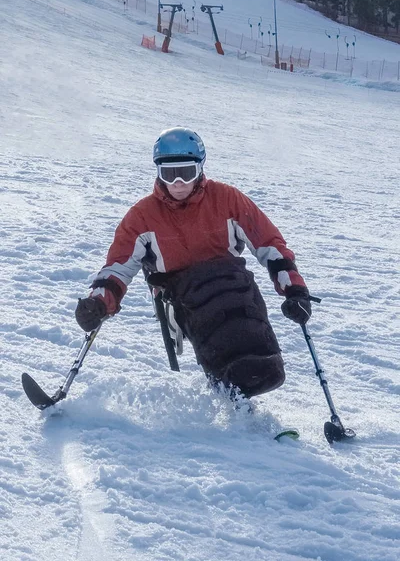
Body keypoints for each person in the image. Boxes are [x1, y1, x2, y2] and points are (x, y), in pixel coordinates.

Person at [75, 127, 311, 400]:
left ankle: (245, 402)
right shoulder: (142, 217)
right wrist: (98, 303)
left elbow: (269, 244)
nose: (177, 183)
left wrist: (294, 290)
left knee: (257, 350)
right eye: (168, 174)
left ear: (200, 169)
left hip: (234, 284)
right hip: (184, 296)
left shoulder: (227, 199)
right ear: (157, 173)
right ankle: (233, 405)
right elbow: (118, 268)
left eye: (186, 173)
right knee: (217, 335)